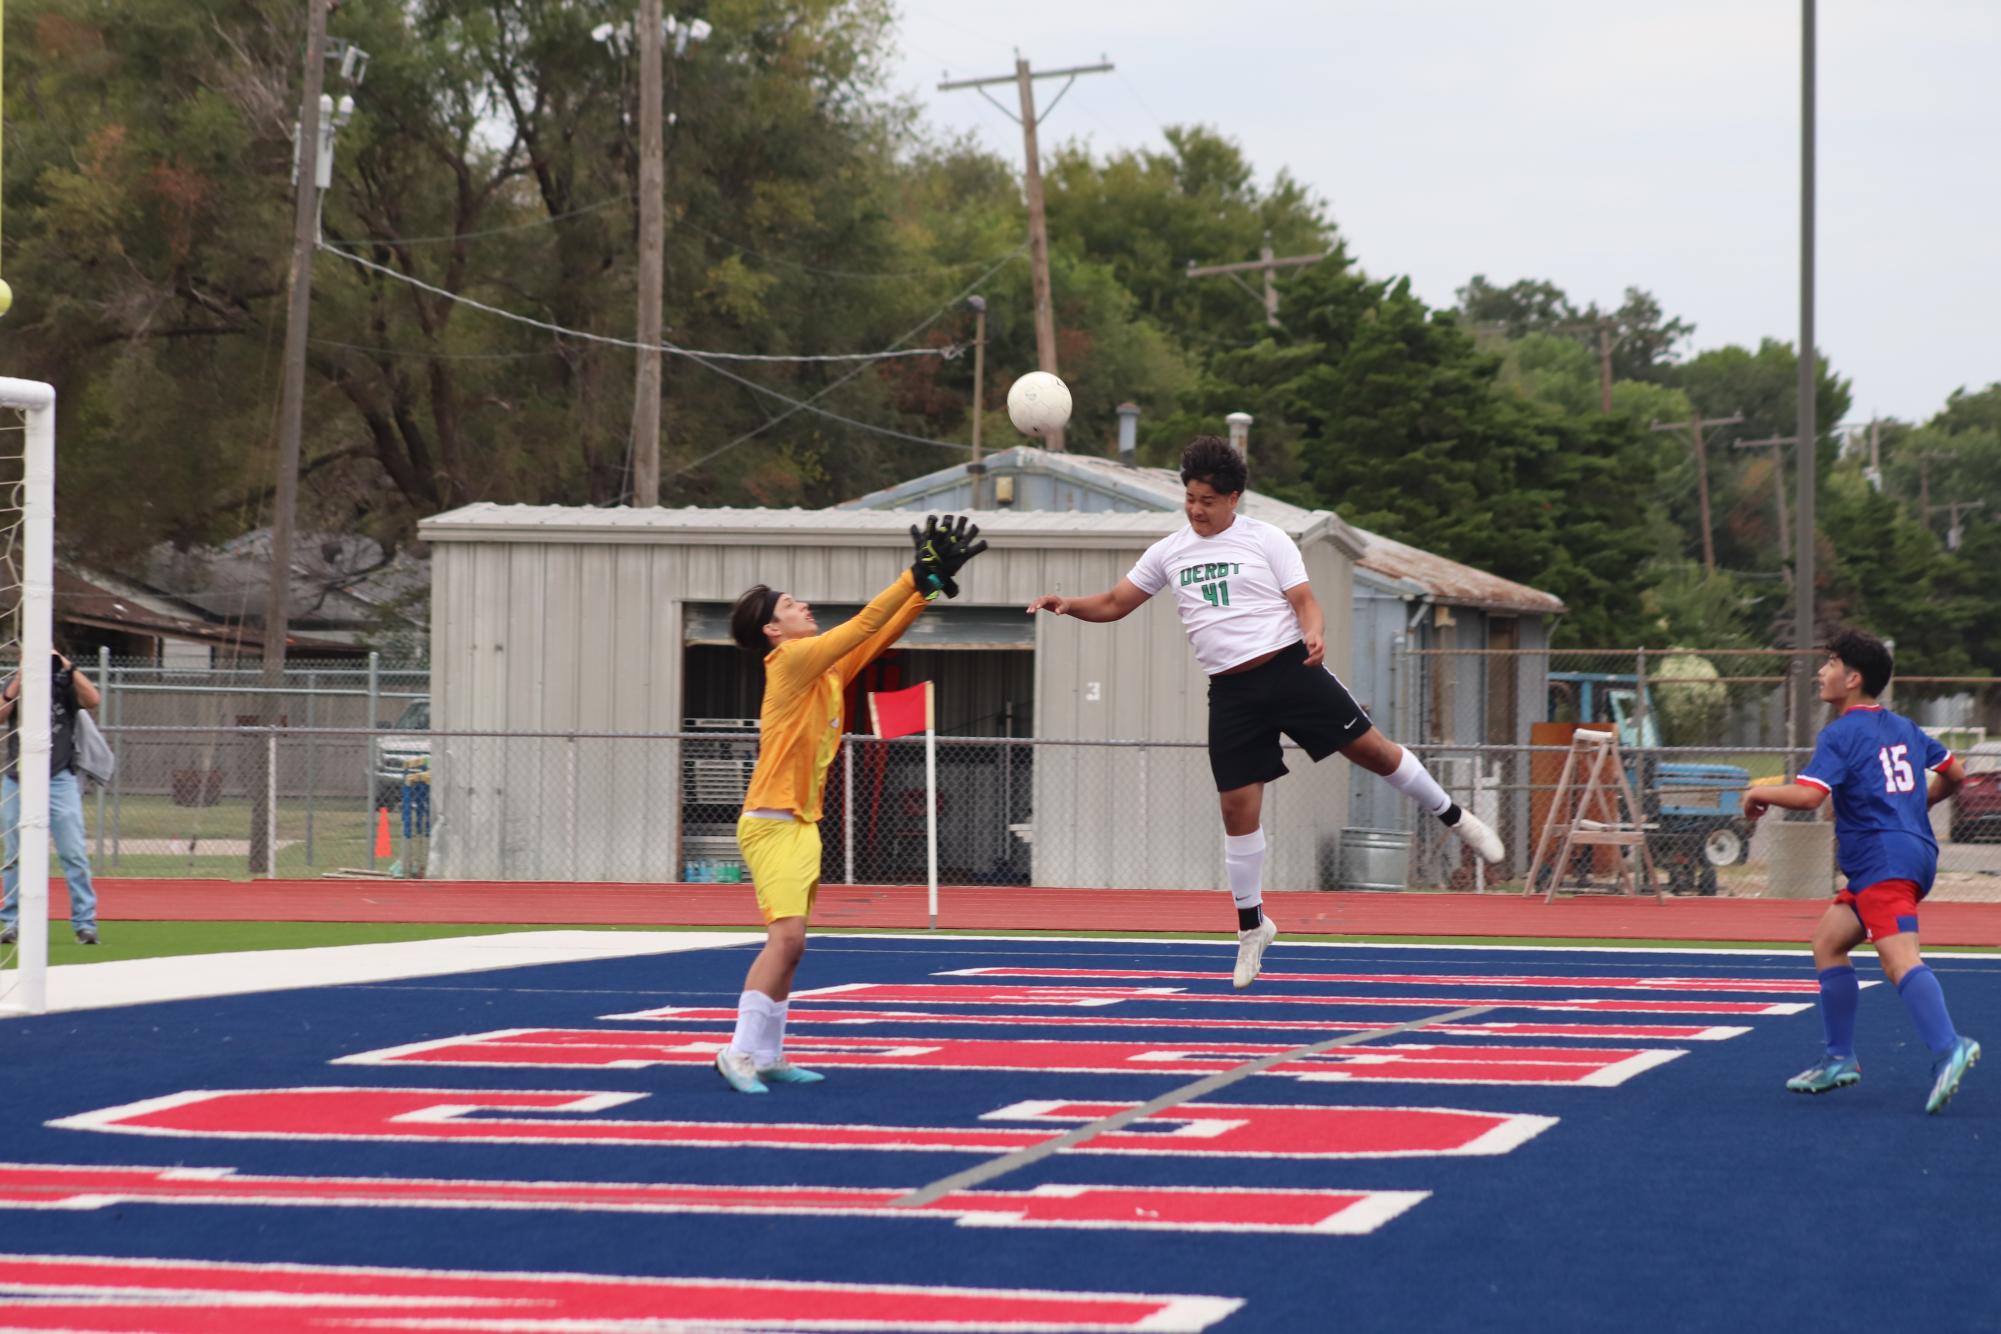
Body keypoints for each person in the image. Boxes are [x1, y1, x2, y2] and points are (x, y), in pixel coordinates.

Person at [1026, 437, 1504, 990]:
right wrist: (1068, 605)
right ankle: (1252, 927)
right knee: (1236, 809)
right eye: (1189, 498)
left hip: (1288, 670)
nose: (1196, 509)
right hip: (1231, 694)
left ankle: (1454, 816)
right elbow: (1114, 603)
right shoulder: (1170, 552)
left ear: (1234, 498)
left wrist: (1315, 632)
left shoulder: (1267, 539)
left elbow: (1304, 601)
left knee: (1372, 752)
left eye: (1207, 499)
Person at [713, 515, 986, 1094]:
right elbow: (864, 620)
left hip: (800, 824)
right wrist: (912, 573)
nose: (803, 604)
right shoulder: (790, 661)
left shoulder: (824, 670)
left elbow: (878, 635)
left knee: (793, 945)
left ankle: (767, 1055)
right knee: (785, 940)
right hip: (770, 824)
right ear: (772, 631)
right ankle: (736, 1051)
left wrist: (927, 586)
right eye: (789, 604)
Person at [1742, 628, 1979, 1114]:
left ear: (1852, 678)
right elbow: (1956, 775)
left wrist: (1757, 792)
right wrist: (1915, 808)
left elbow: (1811, 797)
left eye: (1829, 663)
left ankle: (1948, 1046)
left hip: (1882, 861)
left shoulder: (1841, 732)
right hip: (1909, 855)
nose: (1821, 672)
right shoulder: (1906, 728)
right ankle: (1839, 1058)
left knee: (1900, 961)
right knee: (1829, 941)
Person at [0, 649, 104, 946]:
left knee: (73, 853)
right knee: (14, 854)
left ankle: (85, 923)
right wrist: (21, 676)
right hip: (18, 779)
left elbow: (93, 700)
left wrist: (66, 665)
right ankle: (12, 921)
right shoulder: (13, 685)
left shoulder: (64, 685)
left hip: (59, 778)